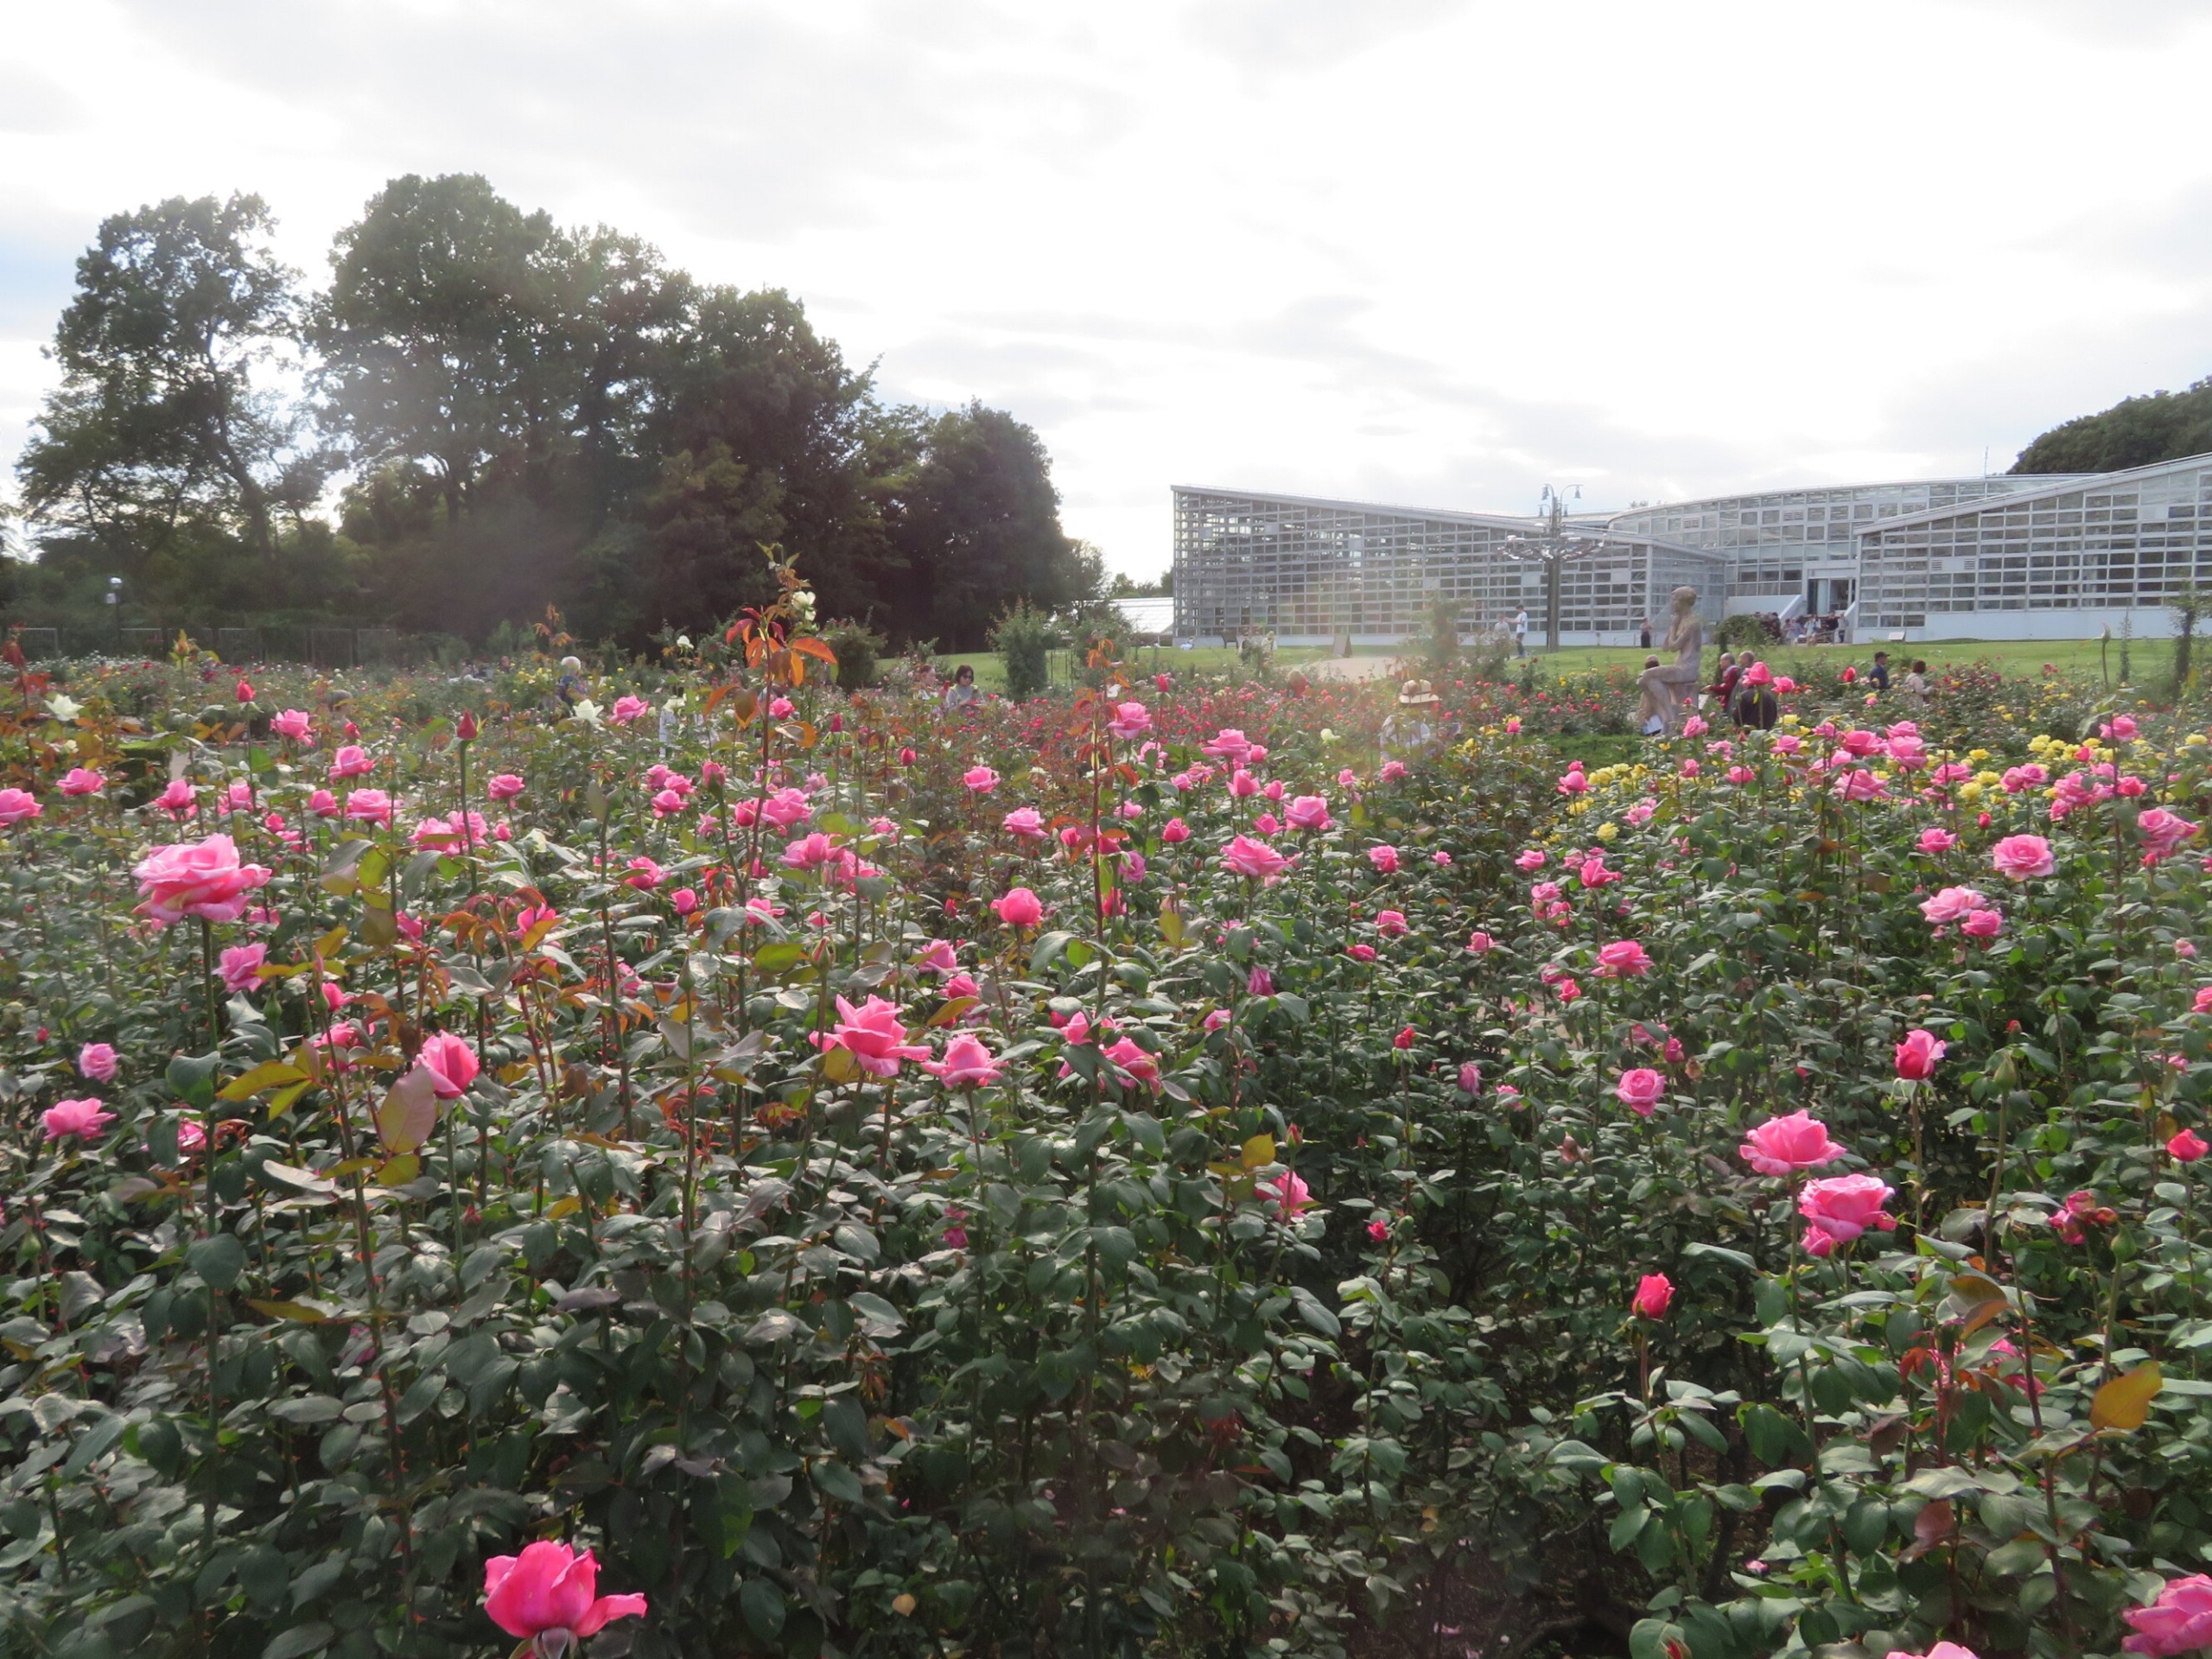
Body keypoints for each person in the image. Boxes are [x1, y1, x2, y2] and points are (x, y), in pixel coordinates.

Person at [1635, 587, 1704, 736]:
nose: (1672, 604)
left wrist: (1673, 626)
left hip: (1688, 669)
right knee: (1643, 681)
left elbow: (1674, 646)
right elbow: (1665, 647)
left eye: (1674, 600)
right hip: (1680, 665)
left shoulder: (1692, 623)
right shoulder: (1681, 620)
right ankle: (1667, 718)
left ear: (1682, 602)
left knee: (1647, 676)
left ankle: (1670, 720)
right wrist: (1674, 625)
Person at [1381, 678, 1442, 762]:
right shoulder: (1394, 721)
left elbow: (1426, 754)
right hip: (1397, 771)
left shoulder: (1422, 724)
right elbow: (1400, 750)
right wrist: (1429, 739)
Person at [1636, 656, 1667, 735]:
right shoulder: (1662, 680)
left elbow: (1648, 702)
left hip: (1653, 718)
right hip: (1659, 718)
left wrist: (1646, 714)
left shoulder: (1649, 682)